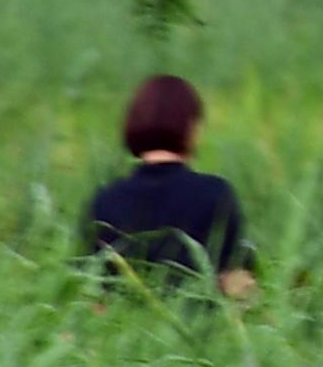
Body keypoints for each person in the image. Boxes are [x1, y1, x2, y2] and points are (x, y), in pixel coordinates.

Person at [85, 73, 257, 296]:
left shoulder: (104, 201)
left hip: (124, 326)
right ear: (192, 129)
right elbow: (238, 285)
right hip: (200, 327)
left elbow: (95, 296)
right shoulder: (216, 195)